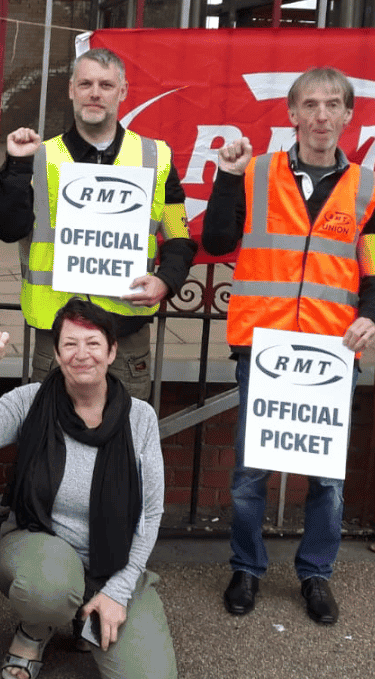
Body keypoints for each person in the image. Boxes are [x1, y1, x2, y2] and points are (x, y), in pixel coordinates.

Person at [202, 67, 375, 626]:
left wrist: (370, 317)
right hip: (263, 344)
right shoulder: (253, 174)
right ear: (292, 115)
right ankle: (247, 566)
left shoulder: (368, 188)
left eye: (332, 105)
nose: (321, 116)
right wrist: (226, 178)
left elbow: (372, 274)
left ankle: (315, 574)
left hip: (331, 348)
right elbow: (219, 241)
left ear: (350, 114)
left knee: (327, 477)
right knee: (252, 471)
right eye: (310, 105)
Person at [0, 299, 175, 679]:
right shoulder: (32, 401)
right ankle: (35, 630)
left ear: (112, 350)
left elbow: (150, 514)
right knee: (48, 588)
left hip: (110, 563)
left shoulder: (140, 418)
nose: (81, 354)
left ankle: (88, 605)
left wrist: (119, 590)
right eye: (69, 344)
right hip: (39, 550)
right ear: (56, 351)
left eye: (93, 343)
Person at [0, 47, 197, 400]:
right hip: (56, 330)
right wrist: (16, 168)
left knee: (123, 443)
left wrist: (167, 281)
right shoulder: (39, 156)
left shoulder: (156, 157)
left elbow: (179, 235)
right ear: (71, 89)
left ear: (123, 91)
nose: (95, 93)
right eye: (85, 83)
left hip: (125, 331)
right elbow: (9, 229)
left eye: (106, 84)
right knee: (50, 441)